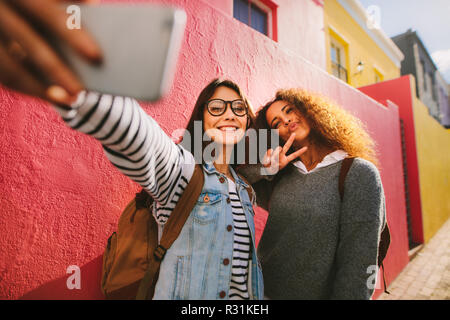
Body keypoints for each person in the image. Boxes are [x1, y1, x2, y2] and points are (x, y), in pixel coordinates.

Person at [0, 0, 263, 300]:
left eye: (238, 108)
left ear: (247, 120)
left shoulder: (246, 191)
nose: (229, 113)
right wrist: (84, 87)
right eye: (217, 107)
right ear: (202, 120)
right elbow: (142, 138)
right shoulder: (184, 173)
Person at [240, 88, 387, 300]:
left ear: (308, 110)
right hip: (258, 293)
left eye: (289, 110)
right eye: (276, 123)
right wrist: (266, 169)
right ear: (276, 136)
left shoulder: (358, 172)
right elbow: (231, 180)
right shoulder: (281, 174)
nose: (286, 120)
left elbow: (359, 264)